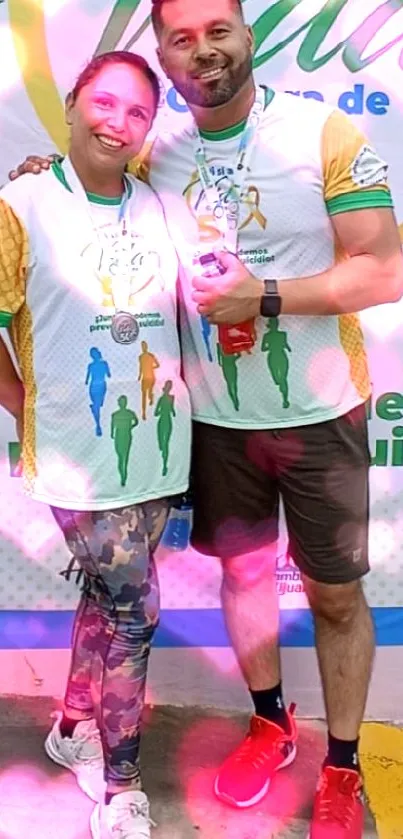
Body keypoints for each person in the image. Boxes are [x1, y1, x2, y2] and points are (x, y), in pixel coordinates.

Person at [9, 1, 403, 836]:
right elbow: (92, 177)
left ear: (247, 35)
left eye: (216, 30)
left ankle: (340, 765)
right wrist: (46, 172)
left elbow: (383, 270)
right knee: (244, 576)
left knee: (334, 596)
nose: (202, 52)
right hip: (214, 421)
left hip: (321, 409)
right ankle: (269, 722)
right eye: (179, 39)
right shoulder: (154, 147)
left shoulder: (322, 133)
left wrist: (260, 296)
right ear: (163, 53)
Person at [0, 49, 191, 839]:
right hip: (79, 454)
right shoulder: (19, 204)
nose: (117, 122)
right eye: (104, 103)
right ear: (74, 102)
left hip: (159, 446)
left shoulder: (154, 203)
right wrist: (29, 406)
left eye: (137, 112)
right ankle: (119, 786)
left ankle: (74, 723)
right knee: (135, 611)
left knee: (107, 597)